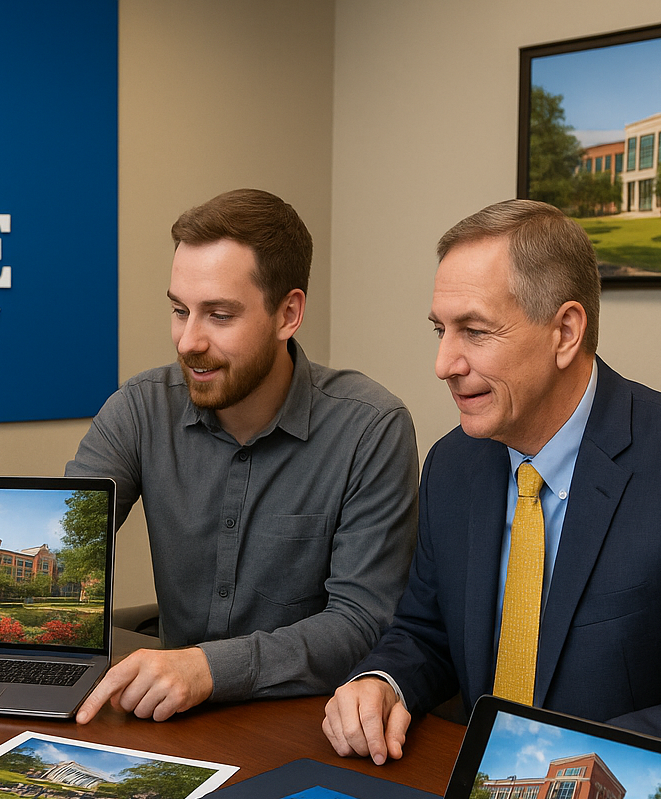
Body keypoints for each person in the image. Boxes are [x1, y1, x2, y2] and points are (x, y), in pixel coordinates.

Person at [322, 199, 661, 799]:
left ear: (565, 332)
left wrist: (545, 763)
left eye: (475, 331)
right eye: (441, 331)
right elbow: (429, 631)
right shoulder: (455, 465)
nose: (443, 365)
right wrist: (382, 682)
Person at [68, 189, 419, 724]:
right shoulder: (140, 408)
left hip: (303, 724)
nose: (188, 341)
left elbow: (361, 624)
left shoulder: (369, 428)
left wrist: (209, 669)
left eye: (220, 315)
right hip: (171, 719)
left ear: (288, 313)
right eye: (179, 310)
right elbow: (69, 545)